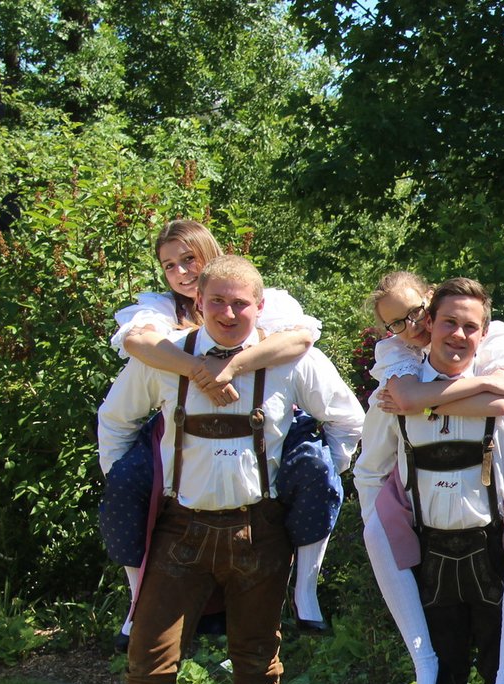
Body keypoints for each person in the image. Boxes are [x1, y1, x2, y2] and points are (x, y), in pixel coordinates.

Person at [94, 255, 364, 684]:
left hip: (259, 530)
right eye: (216, 300)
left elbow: (349, 420)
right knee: (151, 653)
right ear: (198, 303)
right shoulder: (163, 357)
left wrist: (316, 474)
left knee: (257, 653)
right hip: (179, 529)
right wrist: (131, 483)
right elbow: (115, 420)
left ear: (259, 307)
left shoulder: (293, 360)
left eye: (241, 302)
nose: (228, 312)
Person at [104, 219, 338, 644]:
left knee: (317, 470)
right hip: (177, 431)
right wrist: (200, 370)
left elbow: (300, 339)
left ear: (209, 255)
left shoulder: (255, 297)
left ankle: (305, 592)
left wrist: (232, 366)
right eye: (169, 265)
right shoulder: (160, 311)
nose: (180, 272)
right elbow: (137, 344)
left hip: (268, 427)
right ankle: (136, 603)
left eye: (188, 259)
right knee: (123, 484)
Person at [354, 277, 504, 684]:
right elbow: (369, 470)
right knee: (443, 677)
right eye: (449, 323)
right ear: (430, 322)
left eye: (469, 326)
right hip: (430, 551)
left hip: (494, 550)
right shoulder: (393, 394)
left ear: (484, 332)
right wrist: (384, 534)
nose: (458, 335)